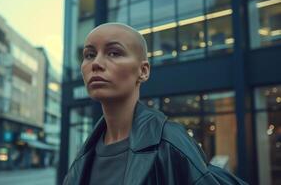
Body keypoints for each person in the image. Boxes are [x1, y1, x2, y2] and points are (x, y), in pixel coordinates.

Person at [63, 22, 247, 185]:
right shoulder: (85, 155)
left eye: (113, 52)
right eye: (89, 55)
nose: (96, 63)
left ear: (143, 71)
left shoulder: (169, 141)